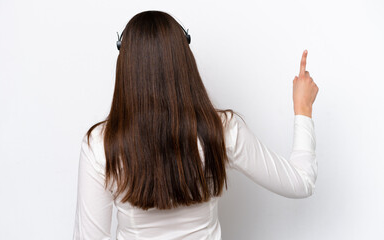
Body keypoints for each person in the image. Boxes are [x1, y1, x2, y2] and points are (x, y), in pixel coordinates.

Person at [72, 10, 319, 240]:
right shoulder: (222, 130)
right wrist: (303, 108)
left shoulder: (100, 145)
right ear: (184, 58)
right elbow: (301, 181)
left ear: (124, 64)